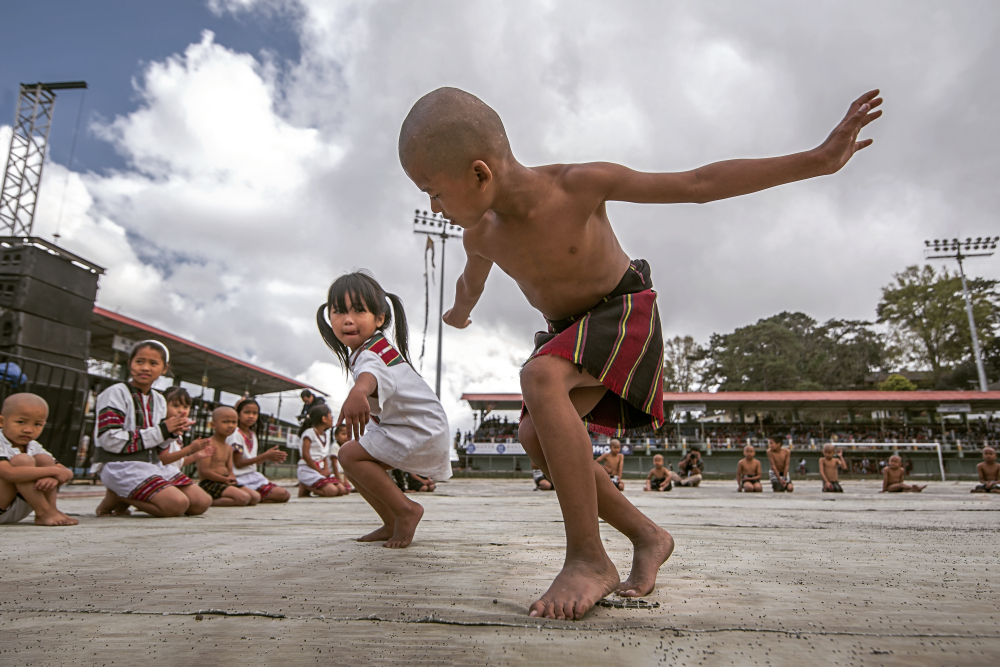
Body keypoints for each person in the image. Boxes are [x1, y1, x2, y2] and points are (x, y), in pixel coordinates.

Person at [399, 85, 881, 619]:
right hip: (569, 331)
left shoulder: (579, 185)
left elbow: (698, 184)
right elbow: (472, 283)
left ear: (480, 173)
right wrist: (459, 314)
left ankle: (587, 558)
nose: (433, 206)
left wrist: (816, 160)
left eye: (433, 191)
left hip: (622, 310)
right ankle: (647, 535)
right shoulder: (480, 237)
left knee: (538, 379)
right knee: (534, 435)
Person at [316, 271, 452, 548]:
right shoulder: (370, 348)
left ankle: (405, 510)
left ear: (379, 318)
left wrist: (358, 391)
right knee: (353, 459)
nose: (348, 319)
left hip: (418, 430)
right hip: (414, 427)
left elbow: (373, 373)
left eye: (358, 311)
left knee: (349, 454)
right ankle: (390, 521)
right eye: (338, 312)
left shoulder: (371, 353)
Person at [92, 341, 201, 518]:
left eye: (153, 364)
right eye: (140, 362)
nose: (145, 368)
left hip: (152, 465)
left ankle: (125, 496)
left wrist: (172, 432)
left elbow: (159, 444)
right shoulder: (115, 393)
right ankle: (119, 495)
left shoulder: (158, 399)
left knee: (199, 503)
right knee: (176, 505)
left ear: (164, 369)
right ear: (130, 364)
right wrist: (162, 431)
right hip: (120, 465)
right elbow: (109, 438)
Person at [0, 394, 77, 526]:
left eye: (37, 424)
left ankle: (50, 510)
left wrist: (52, 477)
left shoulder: (33, 445)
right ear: (2, 422)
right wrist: (52, 472)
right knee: (22, 461)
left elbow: (66, 473)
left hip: (15, 508)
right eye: (21, 422)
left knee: (44, 459)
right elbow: (8, 473)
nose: (28, 430)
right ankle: (45, 512)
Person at [154, 386, 214, 515]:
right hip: (158, 475)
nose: (182, 411)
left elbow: (177, 462)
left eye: (186, 407)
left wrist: (196, 455)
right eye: (176, 406)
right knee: (180, 505)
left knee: (202, 503)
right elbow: (162, 460)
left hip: (172, 473)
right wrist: (189, 449)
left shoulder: (179, 434)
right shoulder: (160, 429)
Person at [227, 398, 290, 503]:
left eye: (254, 413)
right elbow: (238, 463)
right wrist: (264, 456)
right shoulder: (235, 434)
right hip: (239, 477)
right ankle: (249, 496)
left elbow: (253, 461)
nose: (251, 416)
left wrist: (269, 456)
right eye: (247, 412)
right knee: (281, 494)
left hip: (252, 476)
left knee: (285, 495)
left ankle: (253, 498)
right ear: (238, 414)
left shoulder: (252, 434)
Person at [196, 407, 257, 507]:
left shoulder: (228, 448)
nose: (230, 425)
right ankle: (207, 501)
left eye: (234, 422)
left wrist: (231, 477)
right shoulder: (208, 444)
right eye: (225, 422)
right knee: (243, 498)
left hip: (225, 482)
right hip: (210, 483)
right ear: (213, 425)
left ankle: (219, 498)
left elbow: (230, 470)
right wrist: (224, 480)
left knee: (255, 497)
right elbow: (204, 471)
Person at [297, 404, 347, 497]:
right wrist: (319, 471)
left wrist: (326, 469)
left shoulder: (326, 435)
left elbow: (324, 456)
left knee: (341, 489)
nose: (332, 419)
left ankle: (311, 488)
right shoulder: (309, 433)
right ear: (324, 419)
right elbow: (306, 455)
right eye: (330, 416)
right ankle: (305, 486)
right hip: (308, 469)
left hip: (320, 470)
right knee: (332, 491)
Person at [329, 423, 353, 493]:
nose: (346, 437)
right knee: (343, 490)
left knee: (348, 488)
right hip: (334, 474)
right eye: (343, 434)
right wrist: (338, 479)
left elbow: (347, 466)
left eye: (348, 434)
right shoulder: (335, 446)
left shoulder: (347, 448)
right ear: (336, 436)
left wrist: (345, 479)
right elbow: (334, 464)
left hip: (343, 475)